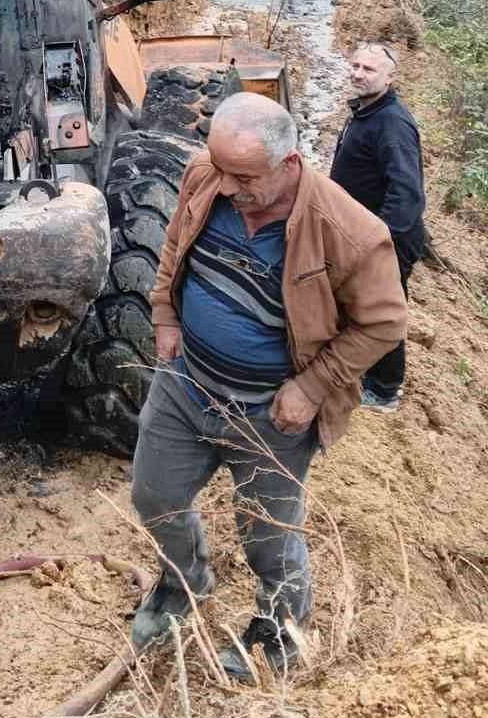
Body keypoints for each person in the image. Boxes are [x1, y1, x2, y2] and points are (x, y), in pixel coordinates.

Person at [130, 93, 406, 678]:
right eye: (220, 169)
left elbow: (384, 323)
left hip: (270, 416)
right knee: (154, 497)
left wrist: (313, 385)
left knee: (269, 537)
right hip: (188, 387)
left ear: (288, 162)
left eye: (244, 176)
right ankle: (184, 583)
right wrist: (165, 315)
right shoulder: (206, 175)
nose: (227, 187)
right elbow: (174, 245)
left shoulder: (350, 231)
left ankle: (279, 629)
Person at [330, 42, 426, 412]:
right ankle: (364, 371)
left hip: (386, 240)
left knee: (381, 312)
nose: (358, 73)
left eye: (368, 69)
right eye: (355, 65)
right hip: (360, 235)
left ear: (390, 77)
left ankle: (384, 391)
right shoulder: (366, 110)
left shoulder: (392, 123)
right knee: (359, 307)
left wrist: (378, 244)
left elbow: (406, 194)